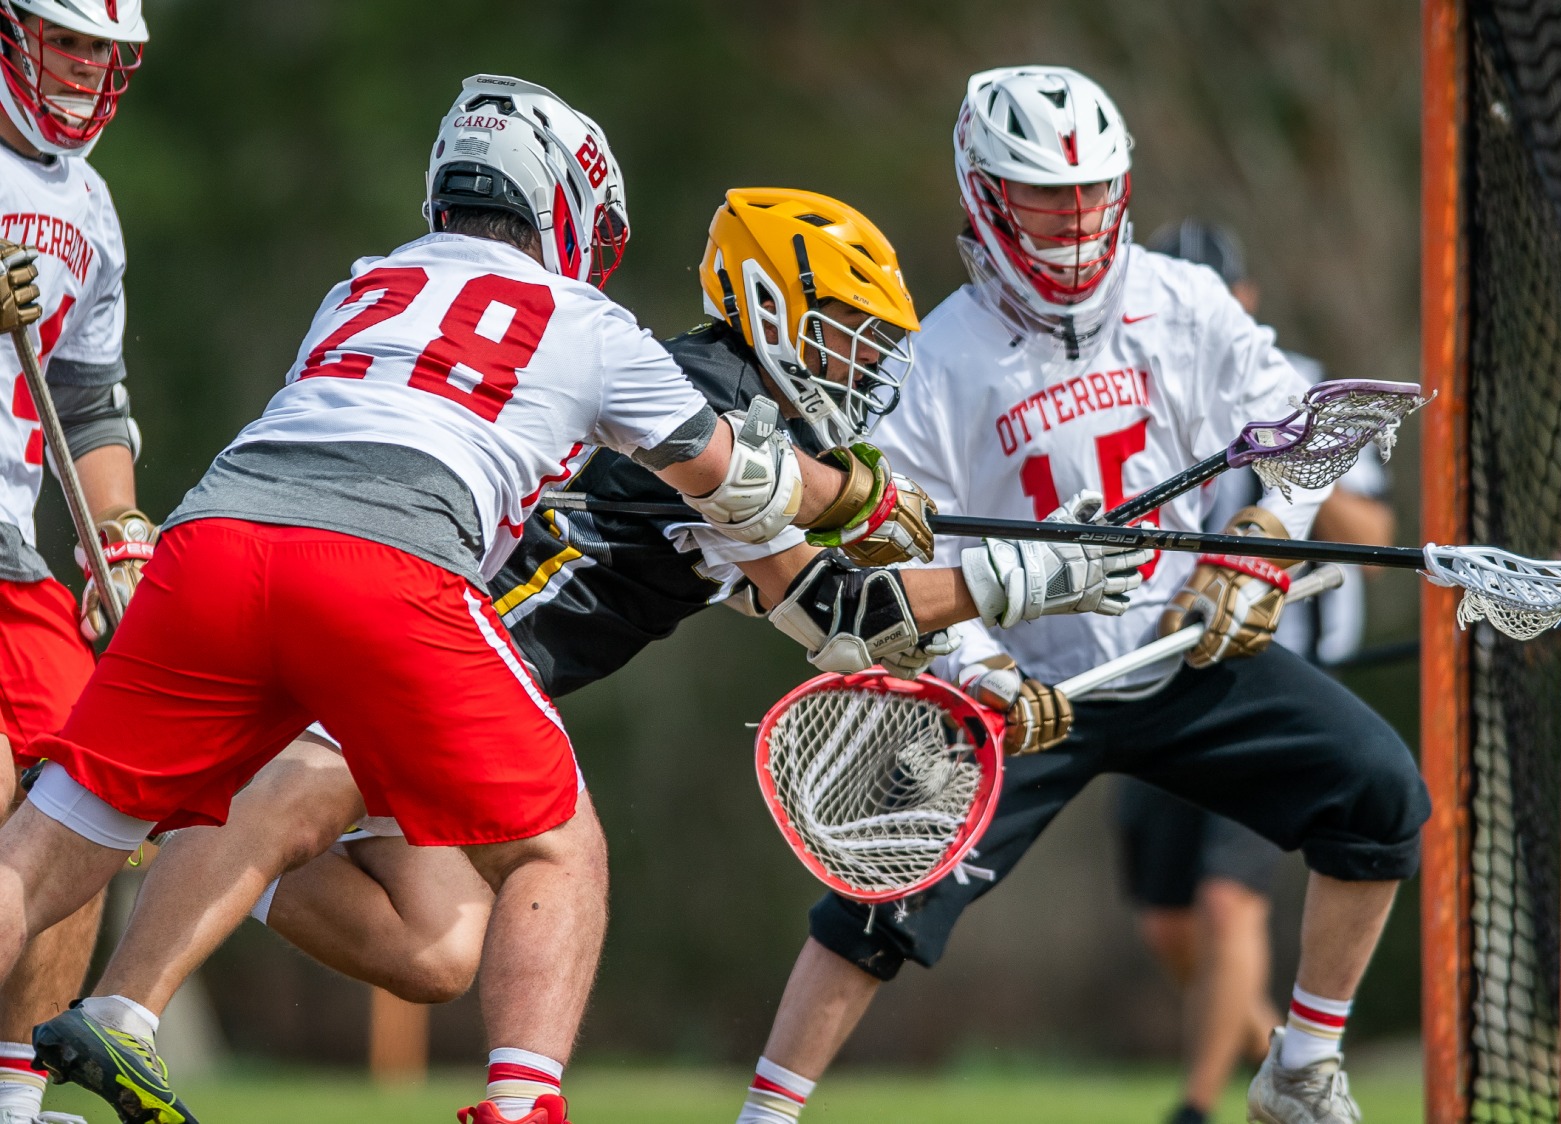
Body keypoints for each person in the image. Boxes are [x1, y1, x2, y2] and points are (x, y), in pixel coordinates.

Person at [0, 74, 1004, 1124]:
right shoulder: (595, 322)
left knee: (56, 841)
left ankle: (115, 1016)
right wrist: (867, 492)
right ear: (559, 203)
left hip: (208, 543)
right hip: (389, 567)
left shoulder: (363, 282)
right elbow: (752, 488)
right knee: (559, 847)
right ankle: (521, 1105)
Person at [733, 66, 1430, 1124]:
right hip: (1020, 689)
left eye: (1090, 190)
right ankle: (767, 1113)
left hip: (1176, 650)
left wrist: (1260, 543)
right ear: (981, 193)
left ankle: (1298, 1068)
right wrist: (980, 667)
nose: (1071, 218)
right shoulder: (935, 358)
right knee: (876, 896)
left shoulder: (1181, 301)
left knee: (1380, 793)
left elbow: (1304, 428)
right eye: (1041, 194)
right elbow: (886, 553)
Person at [1113, 218, 1400, 1124]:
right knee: (1169, 921)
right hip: (1158, 666)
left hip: (1277, 675)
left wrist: (1281, 464)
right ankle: (1280, 1054)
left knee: (1230, 903)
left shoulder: (1294, 384)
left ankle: (1198, 1106)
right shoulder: (1126, 388)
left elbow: (1373, 534)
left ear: (1245, 303)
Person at [0, 4, 149, 1122]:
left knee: (84, 801)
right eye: (71, 40)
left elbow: (88, 400)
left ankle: (13, 1099)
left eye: (106, 49)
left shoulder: (87, 205)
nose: (90, 69)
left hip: (14, 554)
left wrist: (120, 533)